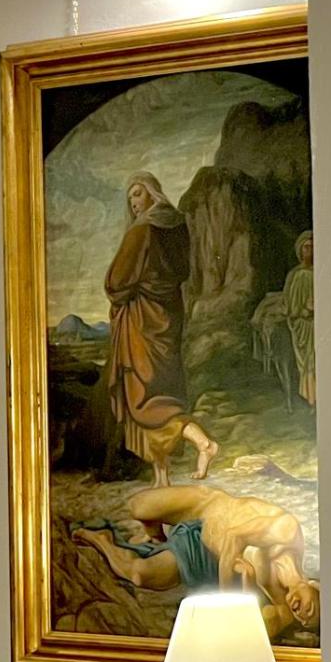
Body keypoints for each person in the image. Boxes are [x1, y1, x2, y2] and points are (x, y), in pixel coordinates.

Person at [73, 484, 320, 641]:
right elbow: (233, 536)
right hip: (209, 506)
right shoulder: (287, 532)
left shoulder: (280, 601)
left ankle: (101, 540)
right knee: (138, 507)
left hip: (204, 552)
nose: (300, 614)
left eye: (304, 620)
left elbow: (254, 626)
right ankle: (158, 539)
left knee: (140, 574)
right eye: (310, 609)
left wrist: (247, 584)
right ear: (315, 586)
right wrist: (227, 599)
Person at [104, 172, 218, 486]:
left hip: (143, 319)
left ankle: (203, 443)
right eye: (130, 197)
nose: (133, 202)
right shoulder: (178, 226)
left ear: (152, 193)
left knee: (145, 398)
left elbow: (116, 281)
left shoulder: (142, 230)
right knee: (161, 393)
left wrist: (122, 293)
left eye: (138, 194)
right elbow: (183, 271)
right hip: (168, 314)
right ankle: (162, 475)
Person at [283, 231, 316, 407]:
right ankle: (311, 399)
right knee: (309, 362)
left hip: (316, 323)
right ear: (300, 250)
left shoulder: (318, 272)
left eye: (312, 247)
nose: (309, 251)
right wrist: (303, 310)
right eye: (306, 247)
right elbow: (290, 305)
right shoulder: (296, 275)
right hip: (303, 325)